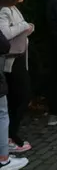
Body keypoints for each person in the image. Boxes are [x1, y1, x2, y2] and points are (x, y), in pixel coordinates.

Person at [0, 0, 33, 153]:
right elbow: (5, 33)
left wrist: (27, 28)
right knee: (19, 97)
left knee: (22, 96)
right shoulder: (4, 11)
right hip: (11, 62)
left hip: (21, 58)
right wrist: (24, 26)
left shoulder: (13, 8)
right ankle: (9, 137)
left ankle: (11, 134)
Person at [0, 25, 28, 169]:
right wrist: (24, 25)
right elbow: (4, 44)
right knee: (2, 114)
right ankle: (3, 159)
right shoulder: (4, 11)